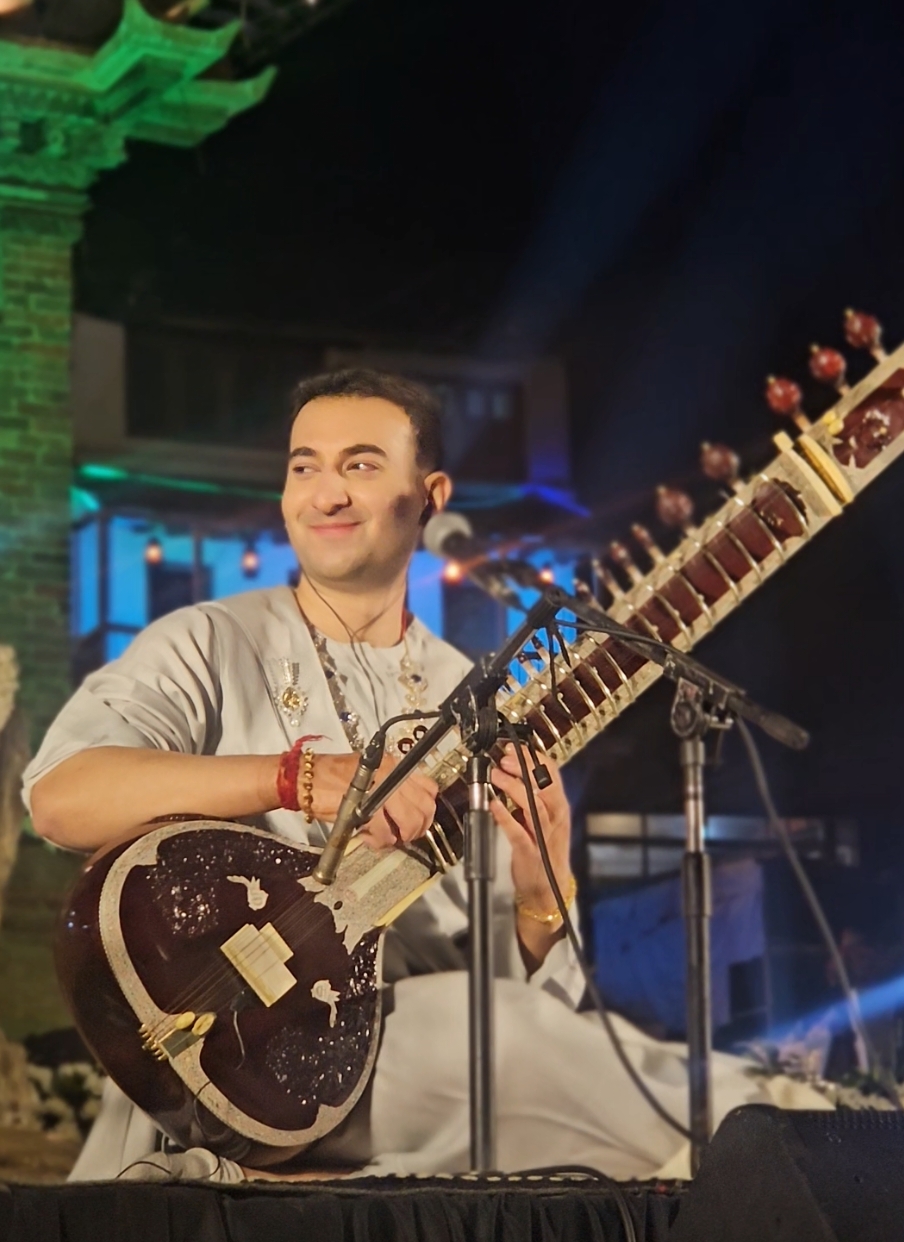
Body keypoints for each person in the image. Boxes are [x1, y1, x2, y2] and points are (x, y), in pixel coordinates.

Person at [23, 370, 826, 1182]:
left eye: (362, 465)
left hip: (422, 1058)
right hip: (236, 1056)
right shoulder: (208, 642)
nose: (325, 493)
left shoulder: (475, 697)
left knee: (530, 1049)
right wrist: (298, 778)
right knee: (532, 1051)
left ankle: (784, 1132)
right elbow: (62, 798)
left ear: (430, 494)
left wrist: (542, 894)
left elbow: (530, 1005)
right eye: (305, 466)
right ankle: (787, 1131)